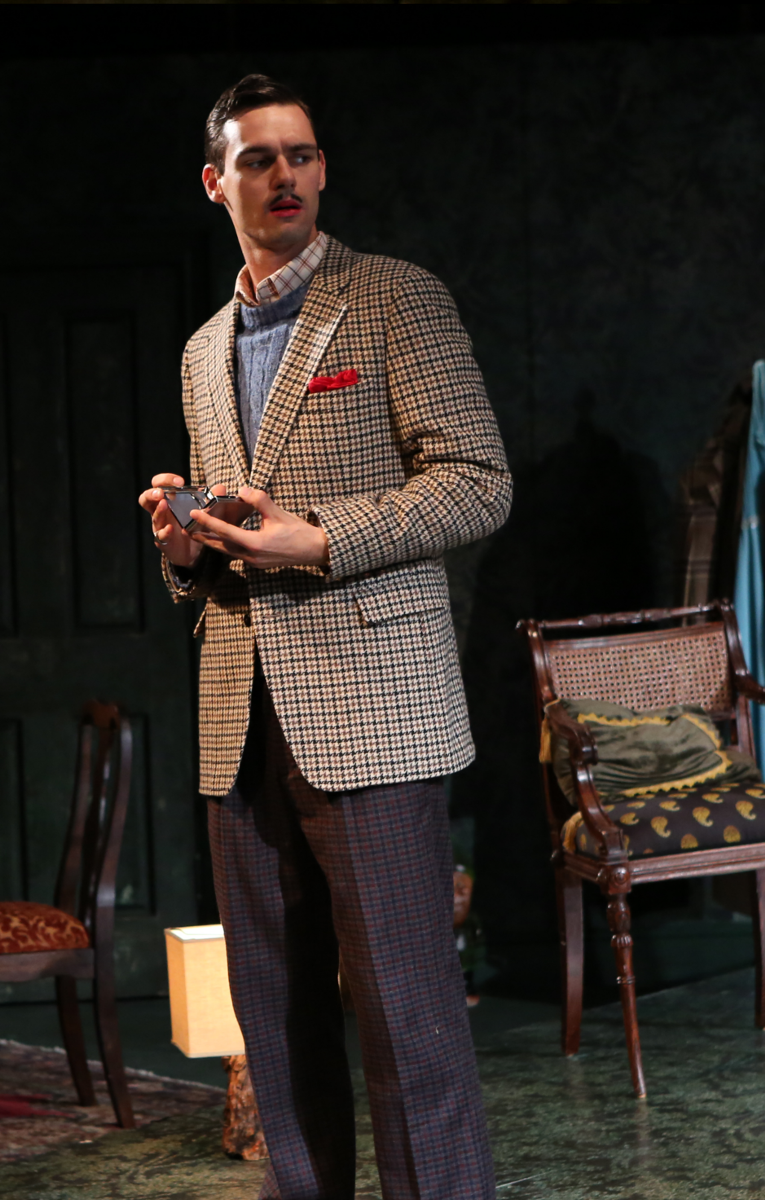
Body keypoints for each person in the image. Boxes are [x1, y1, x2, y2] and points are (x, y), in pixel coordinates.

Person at [138, 75, 511, 1200]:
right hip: (240, 716)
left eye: (300, 154)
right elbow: (237, 534)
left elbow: (477, 482)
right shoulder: (204, 349)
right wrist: (187, 545)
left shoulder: (394, 299)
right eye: (258, 159)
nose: (285, 175)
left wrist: (322, 537)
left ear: (323, 170)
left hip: (377, 710)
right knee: (275, 1017)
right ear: (217, 183)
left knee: (406, 1016)